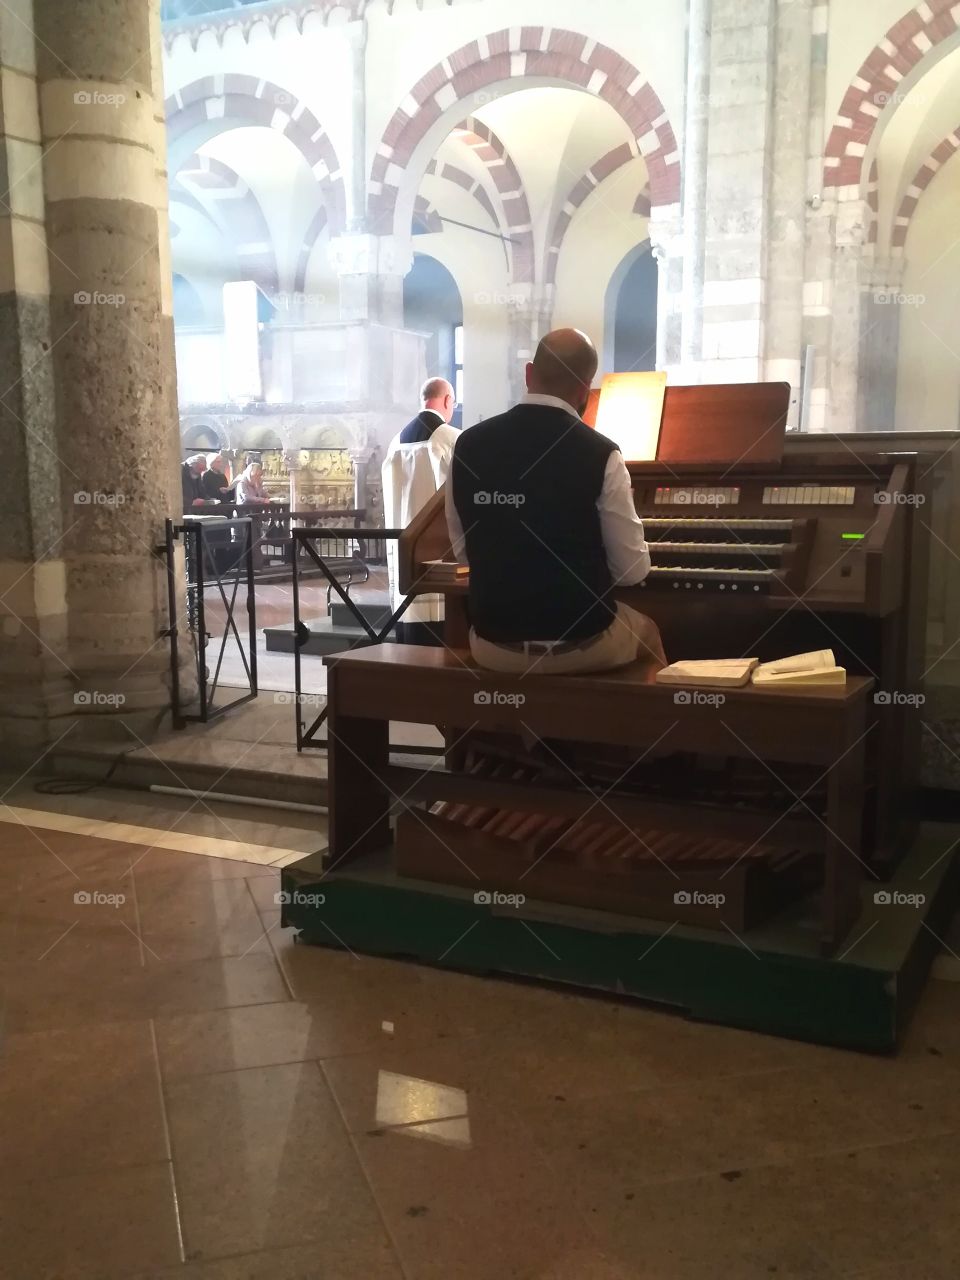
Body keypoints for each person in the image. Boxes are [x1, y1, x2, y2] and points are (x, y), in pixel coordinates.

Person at [446, 328, 666, 675]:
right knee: (648, 632)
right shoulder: (601, 453)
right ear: (586, 391)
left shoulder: (467, 446)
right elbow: (630, 572)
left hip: (492, 645)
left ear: (529, 373)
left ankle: (496, 726)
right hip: (581, 644)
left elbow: (463, 551)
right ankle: (625, 727)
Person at [383, 377, 459, 645]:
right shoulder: (452, 439)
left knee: (411, 632)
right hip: (439, 554)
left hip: (405, 551)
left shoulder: (396, 443)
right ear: (448, 400)